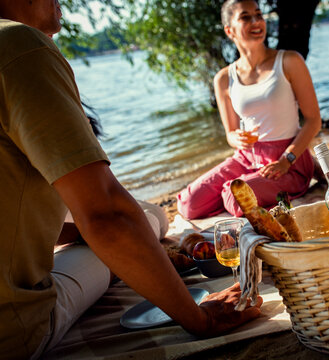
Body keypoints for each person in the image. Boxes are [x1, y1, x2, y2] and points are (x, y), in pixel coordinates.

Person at [0, 1, 262, 359]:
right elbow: (107, 216)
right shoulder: (18, 46)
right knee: (145, 220)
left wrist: (77, 232)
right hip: (13, 329)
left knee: (148, 214)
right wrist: (200, 319)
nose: (62, 3)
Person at [177, 0, 322, 219]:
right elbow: (230, 135)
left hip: (286, 161)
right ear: (229, 30)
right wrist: (237, 139)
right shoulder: (224, 79)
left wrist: (287, 160)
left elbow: (313, 121)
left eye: (258, 14)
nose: (256, 22)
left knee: (235, 196)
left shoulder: (290, 61)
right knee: (189, 204)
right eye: (245, 17)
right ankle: (245, 185)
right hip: (245, 158)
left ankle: (253, 185)